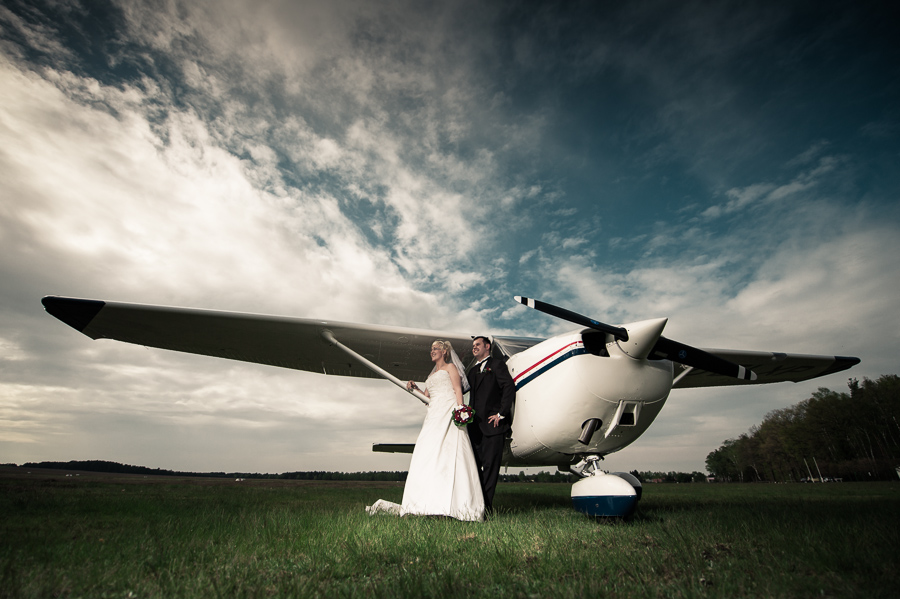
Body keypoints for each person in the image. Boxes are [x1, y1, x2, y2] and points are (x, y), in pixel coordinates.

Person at [366, 340, 484, 521]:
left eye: (435, 349)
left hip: (448, 411)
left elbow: (458, 390)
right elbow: (426, 398)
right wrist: (416, 388)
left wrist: (461, 412)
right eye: (431, 349)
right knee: (427, 452)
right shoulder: (433, 373)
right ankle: (427, 502)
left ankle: (456, 505)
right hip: (434, 415)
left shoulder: (451, 368)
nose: (432, 351)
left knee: (450, 452)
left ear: (444, 352)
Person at [467, 335, 516, 516]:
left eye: (477, 344)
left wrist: (501, 413)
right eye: (473, 345)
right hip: (474, 428)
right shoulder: (472, 372)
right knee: (473, 467)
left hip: (493, 427)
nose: (474, 347)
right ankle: (476, 504)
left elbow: (508, 387)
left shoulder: (496, 365)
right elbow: (459, 388)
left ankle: (486, 510)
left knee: (490, 468)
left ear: (487, 346)